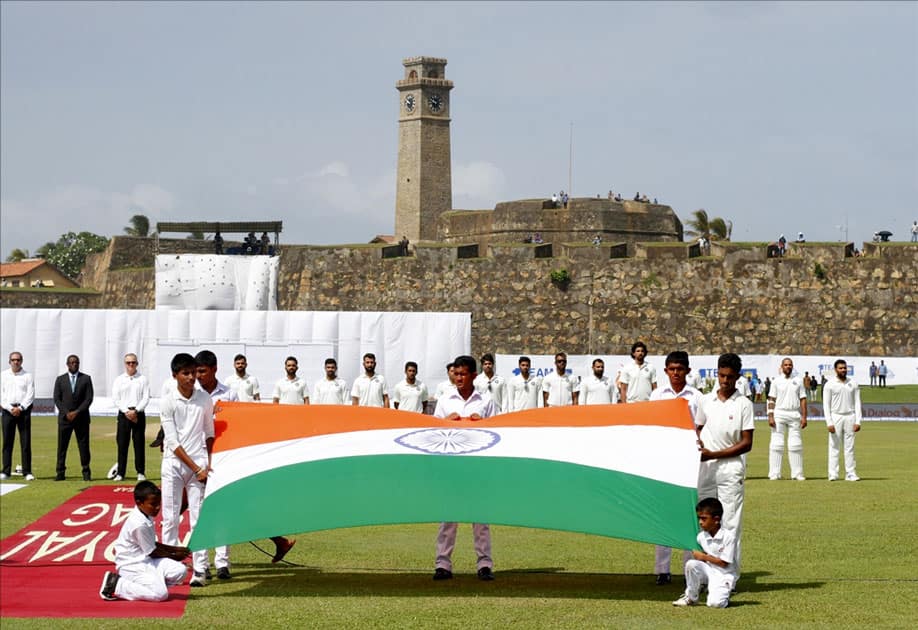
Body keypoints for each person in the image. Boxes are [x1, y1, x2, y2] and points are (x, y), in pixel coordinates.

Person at [194, 350, 295, 574]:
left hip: (223, 455)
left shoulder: (229, 394)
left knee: (226, 508)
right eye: (196, 371)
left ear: (214, 369)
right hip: (197, 455)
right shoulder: (193, 393)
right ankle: (201, 564)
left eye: (202, 371)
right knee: (201, 509)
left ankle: (221, 563)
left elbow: (237, 423)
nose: (198, 376)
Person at [432, 355, 497, 582]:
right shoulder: (444, 401)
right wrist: (446, 422)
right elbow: (432, 433)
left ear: (473, 375)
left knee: (480, 519)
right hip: (452, 464)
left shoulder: (486, 400)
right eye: (455, 374)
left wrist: (484, 423)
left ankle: (485, 564)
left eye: (462, 374)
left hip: (477, 465)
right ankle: (442, 564)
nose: (458, 378)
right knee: (448, 518)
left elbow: (498, 433)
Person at [695, 353, 754, 580]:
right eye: (721, 375)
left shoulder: (744, 404)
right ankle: (705, 574)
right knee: (704, 520)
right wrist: (699, 444)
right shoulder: (706, 400)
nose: (725, 381)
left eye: (730, 377)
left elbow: (747, 443)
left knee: (730, 524)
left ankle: (730, 576)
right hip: (707, 468)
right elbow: (698, 427)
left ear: (738, 377)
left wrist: (714, 453)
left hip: (730, 468)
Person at [159, 353, 213, 587]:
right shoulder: (168, 400)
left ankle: (200, 570)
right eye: (186, 373)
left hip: (200, 465)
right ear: (175, 375)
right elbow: (172, 441)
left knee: (199, 519)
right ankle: (172, 569)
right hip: (174, 464)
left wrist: (209, 464)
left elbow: (209, 433)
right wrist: (195, 467)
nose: (192, 377)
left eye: (194, 372)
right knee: (170, 518)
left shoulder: (204, 399)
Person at [649, 351, 703, 585]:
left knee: (690, 513)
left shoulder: (697, 396)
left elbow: (701, 427)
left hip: (689, 459)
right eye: (672, 369)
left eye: (680, 369)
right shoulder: (657, 394)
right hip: (663, 458)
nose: (676, 373)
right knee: (663, 513)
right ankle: (662, 569)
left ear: (688, 371)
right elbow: (651, 424)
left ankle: (689, 569)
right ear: (665, 371)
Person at [99, 480, 191, 601]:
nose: (157, 508)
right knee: (161, 595)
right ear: (139, 503)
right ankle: (117, 584)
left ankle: (152, 584)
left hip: (146, 560)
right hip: (131, 565)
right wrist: (174, 555)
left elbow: (151, 544)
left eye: (159, 503)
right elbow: (151, 551)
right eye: (153, 504)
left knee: (180, 571)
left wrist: (176, 549)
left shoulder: (146, 513)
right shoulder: (139, 523)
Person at [672, 497, 737, 608]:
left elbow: (724, 563)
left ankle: (724, 593)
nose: (700, 522)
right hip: (708, 570)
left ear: (716, 519)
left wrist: (704, 557)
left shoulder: (728, 537)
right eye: (699, 518)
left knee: (715, 604)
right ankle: (691, 597)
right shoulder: (701, 537)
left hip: (723, 574)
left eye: (704, 519)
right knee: (691, 564)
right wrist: (700, 558)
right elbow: (700, 560)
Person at [52, 355, 94, 481]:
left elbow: (89, 398)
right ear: (67, 364)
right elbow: (57, 398)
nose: (74, 364)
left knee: (84, 446)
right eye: (71, 362)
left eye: (76, 362)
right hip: (65, 419)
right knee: (62, 446)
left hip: (81, 418)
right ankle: (60, 472)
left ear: (79, 364)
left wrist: (77, 412)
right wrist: (66, 413)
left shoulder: (86, 379)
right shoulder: (60, 380)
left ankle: (86, 472)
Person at [111, 353, 151, 482]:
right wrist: (126, 411)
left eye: (133, 362)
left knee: (139, 444)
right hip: (124, 414)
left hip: (138, 413)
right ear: (125, 364)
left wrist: (137, 411)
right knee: (122, 444)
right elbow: (116, 398)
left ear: (137, 364)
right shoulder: (119, 380)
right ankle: (120, 473)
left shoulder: (143, 379)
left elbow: (146, 397)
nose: (131, 365)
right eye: (128, 363)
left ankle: (140, 472)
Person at [767, 358, 807, 481]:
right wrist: (770, 416)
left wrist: (804, 416)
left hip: (794, 413)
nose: (788, 367)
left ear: (792, 366)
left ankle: (797, 473)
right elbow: (771, 399)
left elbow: (803, 399)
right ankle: (774, 473)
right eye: (786, 365)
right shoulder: (776, 381)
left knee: (795, 444)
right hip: (779, 413)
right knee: (776, 444)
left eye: (790, 365)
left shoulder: (798, 381)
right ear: (782, 366)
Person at [823, 359, 862, 482]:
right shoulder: (829, 384)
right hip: (836, 416)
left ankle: (850, 473)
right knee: (834, 446)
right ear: (835, 370)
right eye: (840, 368)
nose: (843, 370)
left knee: (849, 447)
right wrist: (829, 422)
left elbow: (857, 403)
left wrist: (858, 421)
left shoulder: (853, 383)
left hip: (850, 416)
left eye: (845, 368)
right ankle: (833, 473)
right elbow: (826, 405)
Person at [1, 351, 35, 481]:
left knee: (25, 442)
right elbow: (1, 395)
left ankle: (27, 472)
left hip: (23, 412)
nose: (16, 362)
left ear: (22, 361)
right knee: (7, 442)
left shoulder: (28, 376)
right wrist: (10, 408)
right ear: (9, 361)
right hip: (7, 411)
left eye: (18, 359)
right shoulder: (3, 375)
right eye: (13, 360)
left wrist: (20, 408)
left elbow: (30, 395)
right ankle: (6, 471)